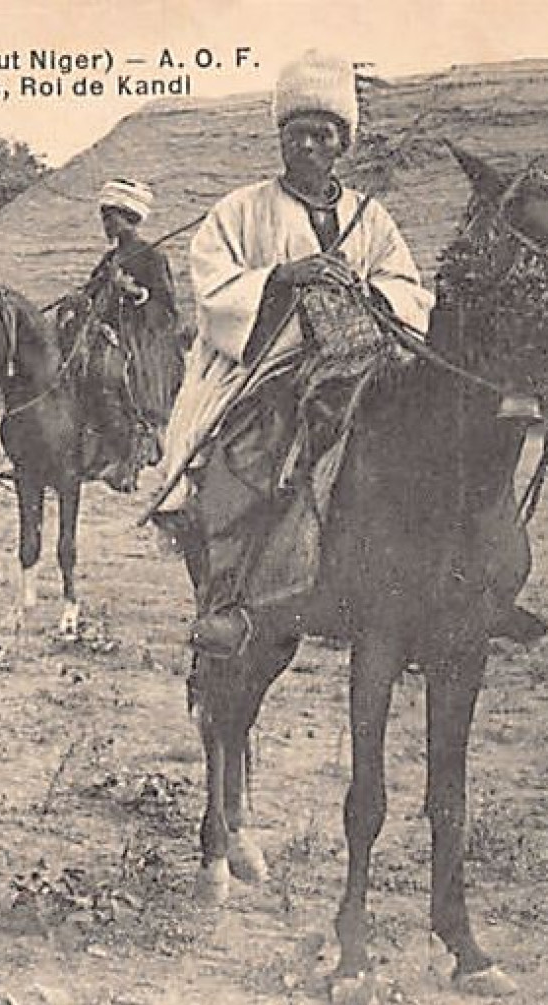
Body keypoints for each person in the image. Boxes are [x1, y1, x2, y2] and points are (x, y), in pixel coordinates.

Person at [147, 50, 437, 655]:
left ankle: (428, 593)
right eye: (296, 134)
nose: (307, 145)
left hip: (365, 359)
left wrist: (372, 294)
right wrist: (282, 277)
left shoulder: (370, 216)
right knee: (245, 452)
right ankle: (226, 599)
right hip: (268, 361)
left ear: (342, 144)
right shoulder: (241, 209)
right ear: (281, 139)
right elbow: (214, 284)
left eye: (322, 134)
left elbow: (407, 286)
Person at [68, 179, 183, 492]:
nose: (105, 223)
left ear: (128, 216)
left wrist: (135, 293)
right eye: (103, 216)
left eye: (110, 216)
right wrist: (81, 298)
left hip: (145, 340)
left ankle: (126, 457)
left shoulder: (151, 256)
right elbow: (93, 293)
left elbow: (167, 309)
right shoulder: (109, 259)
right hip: (111, 334)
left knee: (106, 374)